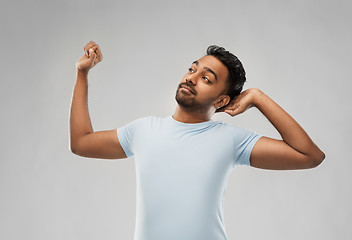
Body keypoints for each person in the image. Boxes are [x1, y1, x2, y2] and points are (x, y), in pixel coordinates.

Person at [69, 41, 325, 240]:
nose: (191, 77)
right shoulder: (143, 130)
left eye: (206, 78)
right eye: (192, 69)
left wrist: (258, 97)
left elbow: (309, 155)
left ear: (222, 101)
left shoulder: (231, 139)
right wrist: (82, 73)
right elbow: (81, 142)